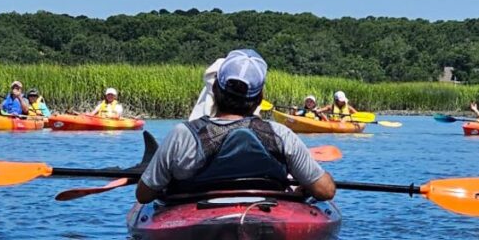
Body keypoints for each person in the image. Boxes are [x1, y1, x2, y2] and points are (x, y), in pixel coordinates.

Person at [136, 49, 336, 204]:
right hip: (267, 216)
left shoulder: (182, 134)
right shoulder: (280, 134)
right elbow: (325, 191)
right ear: (260, 99)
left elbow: (144, 195)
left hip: (199, 225)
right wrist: (314, 180)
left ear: (214, 89)